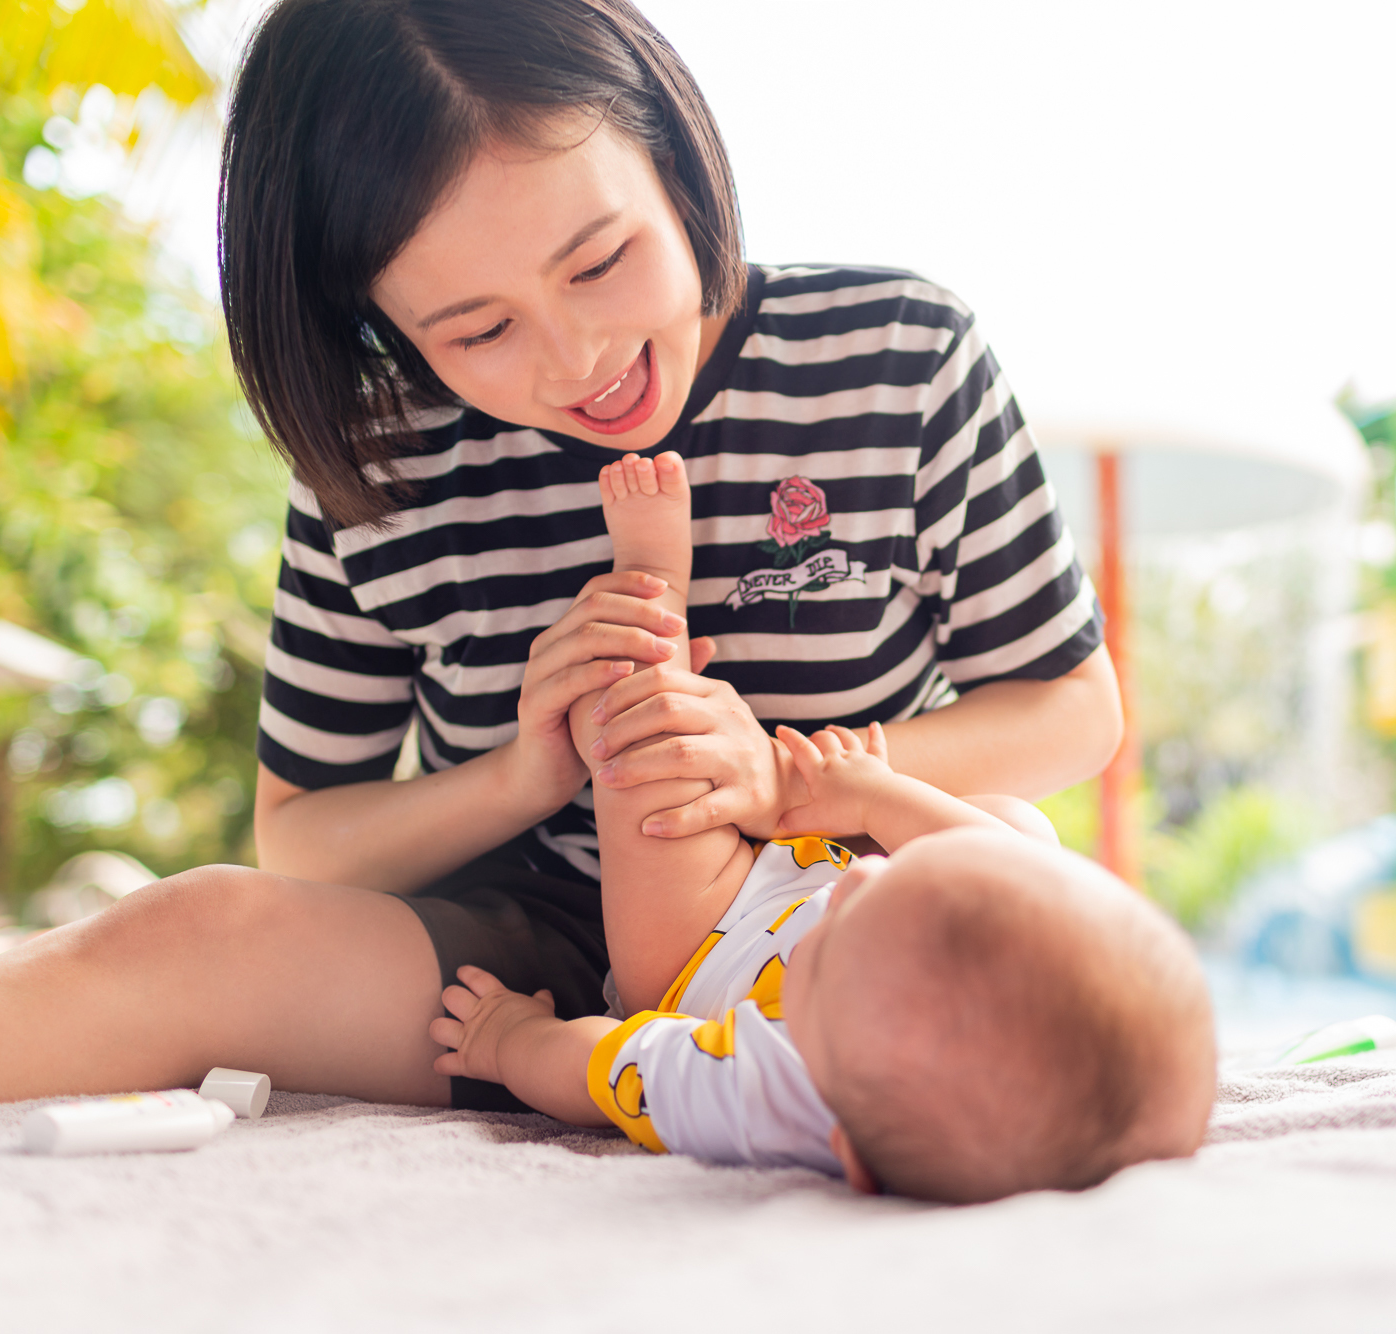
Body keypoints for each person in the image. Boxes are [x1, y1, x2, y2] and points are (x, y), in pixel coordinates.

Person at [0, 0, 1119, 1123]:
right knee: (186, 931)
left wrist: (799, 777)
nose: (576, 360)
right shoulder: (376, 460)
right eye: (478, 330)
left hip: (846, 943)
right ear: (386, 333)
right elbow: (304, 844)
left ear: (672, 158)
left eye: (601, 260)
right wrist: (523, 771)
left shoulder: (894, 351)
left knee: (1013, 862)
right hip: (521, 957)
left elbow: (1071, 711)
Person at [433, 449, 1213, 1201]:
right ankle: (874, 808)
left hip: (700, 937)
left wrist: (507, 1040)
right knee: (1018, 835)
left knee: (642, 746)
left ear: (854, 1162)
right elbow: (963, 867)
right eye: (891, 893)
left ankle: (653, 584)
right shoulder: (900, 957)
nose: (864, 876)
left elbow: (594, 1068)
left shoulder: (766, 1087)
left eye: (843, 942)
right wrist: (873, 801)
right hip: (820, 854)